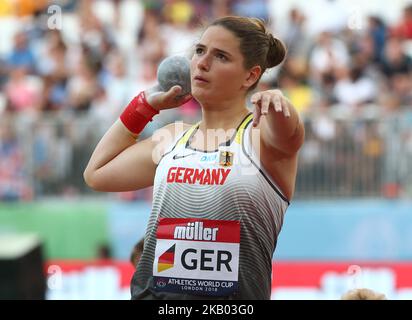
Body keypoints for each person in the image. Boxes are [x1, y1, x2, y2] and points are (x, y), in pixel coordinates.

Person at [84, 16, 305, 300]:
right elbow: (96, 173)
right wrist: (143, 107)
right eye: (200, 51)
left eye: (221, 56)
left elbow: (290, 134)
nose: (201, 63)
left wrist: (280, 104)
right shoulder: (172, 138)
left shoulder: (260, 137)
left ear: (251, 75)